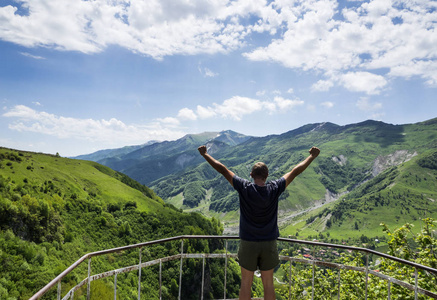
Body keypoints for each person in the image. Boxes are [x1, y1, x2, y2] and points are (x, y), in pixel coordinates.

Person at [198, 145, 320, 300]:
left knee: (246, 283)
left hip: (248, 242)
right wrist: (312, 157)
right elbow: (295, 171)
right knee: (268, 284)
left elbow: (222, 169)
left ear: (251, 175)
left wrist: (205, 155)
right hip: (269, 242)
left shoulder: (244, 187)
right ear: (267, 175)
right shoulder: (275, 188)